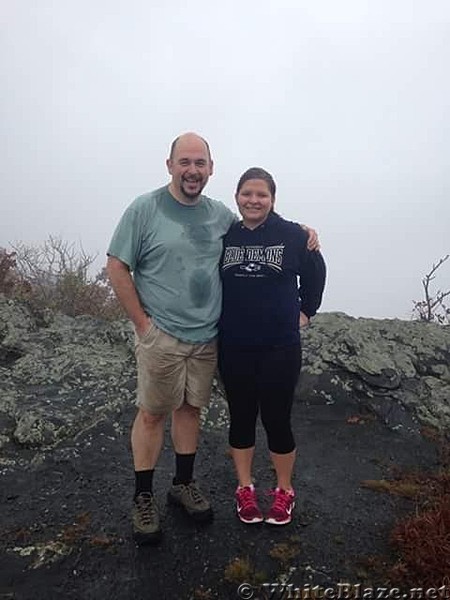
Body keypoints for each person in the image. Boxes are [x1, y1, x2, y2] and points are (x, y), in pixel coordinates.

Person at [106, 133, 320, 545]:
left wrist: (305, 233)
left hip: (208, 337)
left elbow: (258, 226)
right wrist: (142, 325)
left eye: (200, 163)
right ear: (169, 165)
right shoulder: (144, 208)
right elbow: (117, 265)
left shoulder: (220, 215)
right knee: (152, 414)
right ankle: (143, 496)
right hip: (162, 335)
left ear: (211, 169)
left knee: (190, 411)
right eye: (184, 162)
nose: (192, 170)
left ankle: (182, 484)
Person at [218, 167, 326, 526]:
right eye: (247, 194)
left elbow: (315, 270)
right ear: (237, 197)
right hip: (234, 344)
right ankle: (245, 488)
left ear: (272, 199)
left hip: (280, 346)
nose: (253, 200)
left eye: (261, 195)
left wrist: (307, 311)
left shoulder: (293, 235)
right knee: (242, 417)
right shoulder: (226, 235)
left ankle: (284, 491)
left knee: (278, 419)